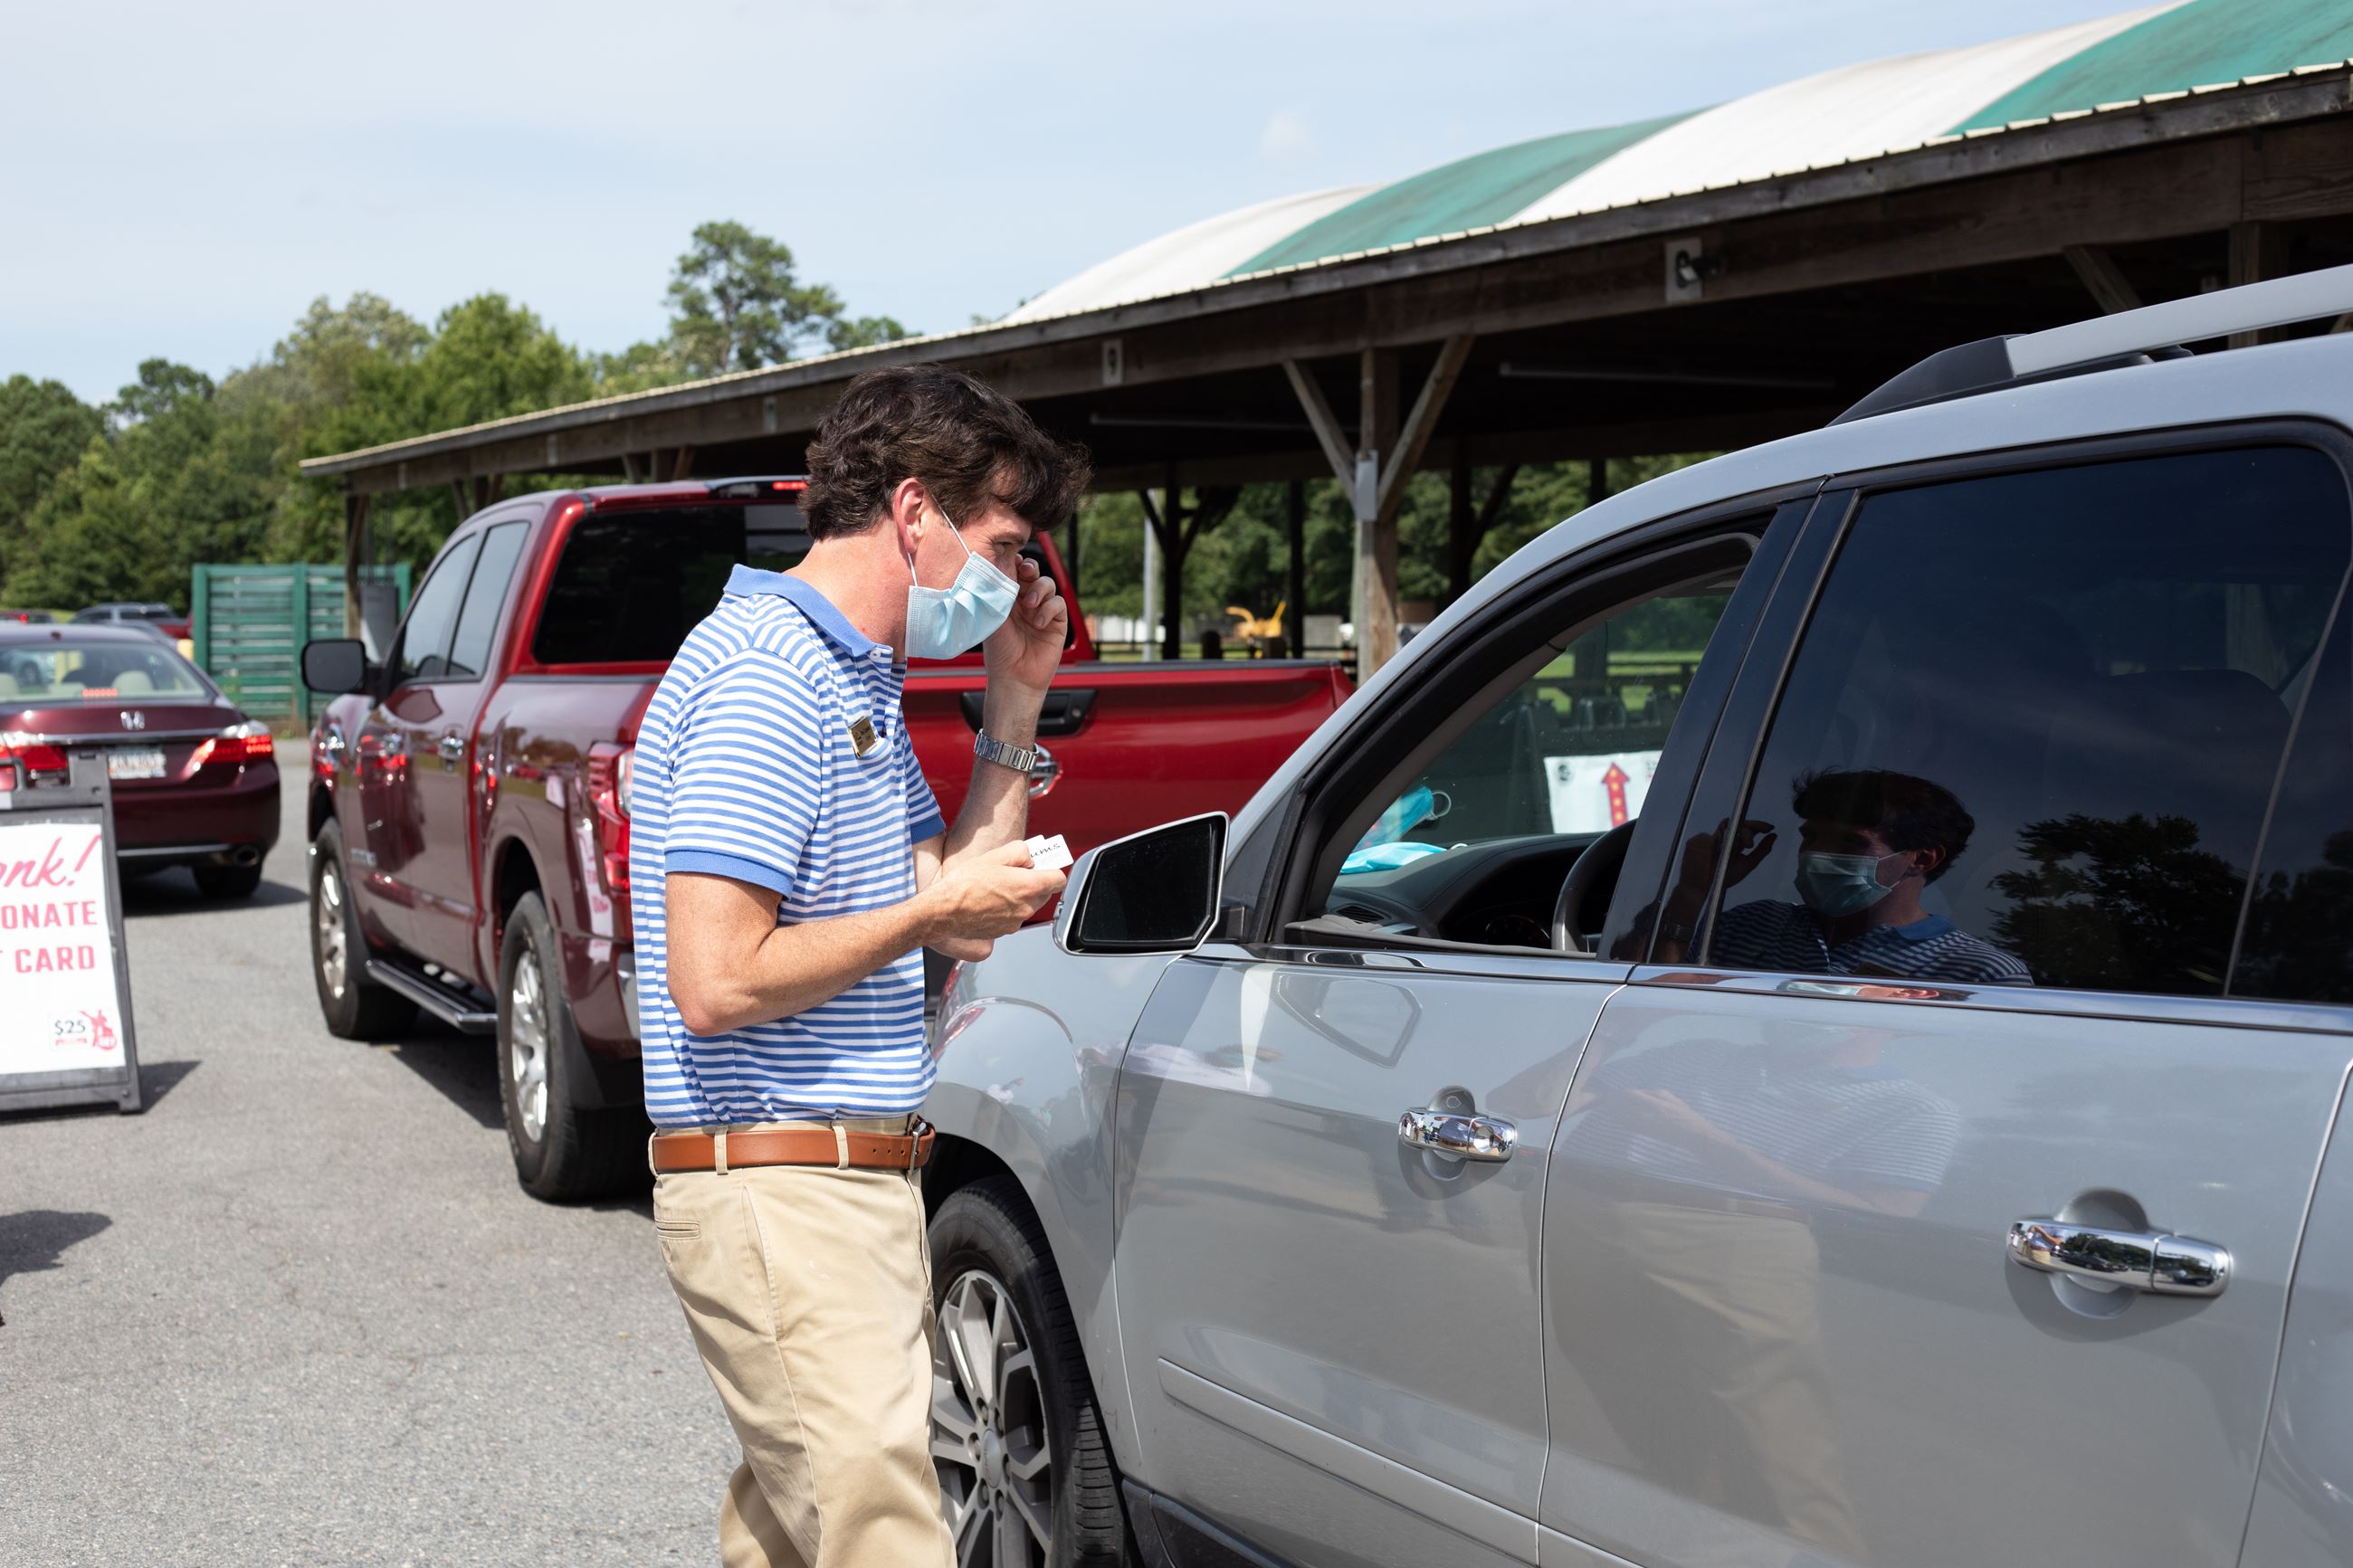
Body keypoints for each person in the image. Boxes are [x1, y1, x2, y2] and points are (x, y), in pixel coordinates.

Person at [627, 364, 1089, 1568]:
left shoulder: (849, 675)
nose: (1012, 579)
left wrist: (1014, 703)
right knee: (882, 1538)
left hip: (833, 1183)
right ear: (915, 509)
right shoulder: (769, 675)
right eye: (1004, 544)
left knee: (793, 1535)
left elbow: (959, 920)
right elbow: (716, 978)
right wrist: (932, 907)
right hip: (784, 1182)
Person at [1647, 767, 2031, 984]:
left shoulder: (1981, 974)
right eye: (1811, 837)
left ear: (1923, 859)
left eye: (1851, 843)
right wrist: (1692, 892)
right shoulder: (1749, 926)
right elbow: (1648, 1002)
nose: (1818, 854)